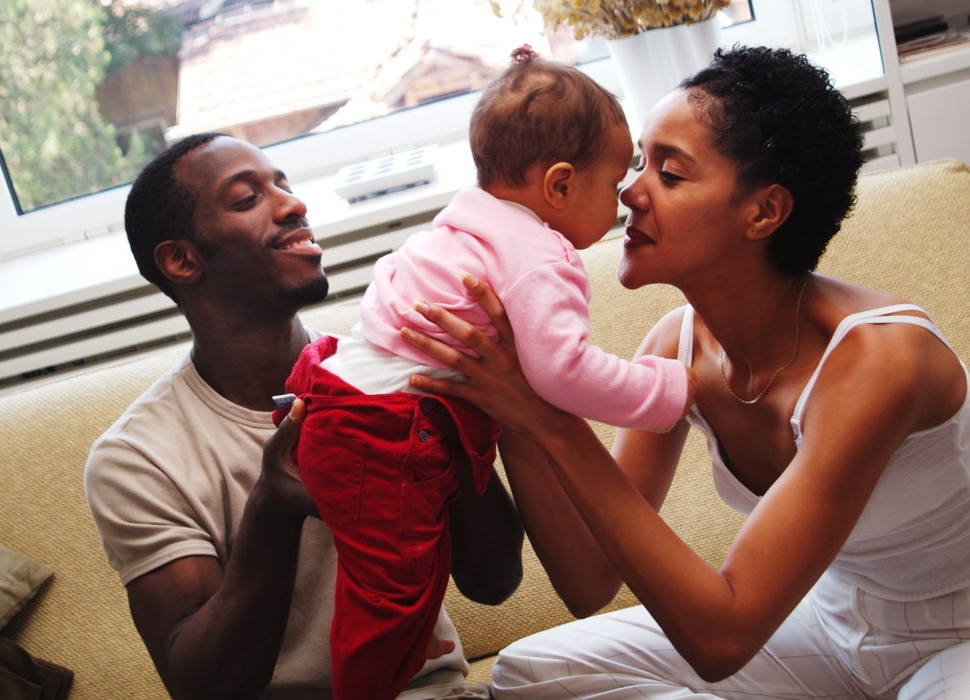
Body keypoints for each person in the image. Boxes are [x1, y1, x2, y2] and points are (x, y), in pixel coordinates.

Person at [399, 46, 970, 699]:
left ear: (764, 212)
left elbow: (722, 638)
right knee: (532, 673)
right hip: (823, 627)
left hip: (953, 642)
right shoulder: (678, 347)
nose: (628, 190)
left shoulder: (882, 360)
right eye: (637, 161)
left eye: (668, 173)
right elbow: (588, 581)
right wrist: (517, 413)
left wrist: (555, 424)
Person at [275, 47, 695, 700]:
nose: (624, 202)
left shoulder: (459, 227)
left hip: (332, 393)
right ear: (558, 186)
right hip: (389, 428)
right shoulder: (540, 256)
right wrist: (668, 392)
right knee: (392, 604)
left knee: (388, 594)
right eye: (614, 185)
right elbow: (563, 373)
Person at [83, 133, 524, 700]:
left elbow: (494, 582)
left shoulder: (389, 375)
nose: (293, 205)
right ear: (181, 260)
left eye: (284, 185)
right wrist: (273, 503)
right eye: (247, 199)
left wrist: (450, 416)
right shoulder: (136, 458)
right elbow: (203, 687)